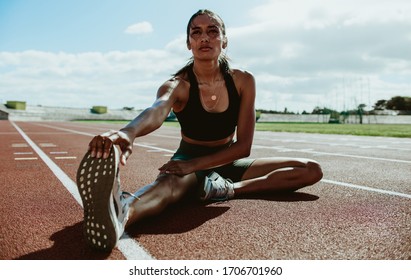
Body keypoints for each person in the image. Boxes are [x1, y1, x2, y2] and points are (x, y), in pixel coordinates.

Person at [76, 9, 323, 252]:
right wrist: (129, 131)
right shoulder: (178, 85)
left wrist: (217, 178)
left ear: (224, 40)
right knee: (167, 188)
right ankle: (123, 212)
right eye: (197, 32)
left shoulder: (243, 81)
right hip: (187, 161)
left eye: (212, 31)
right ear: (189, 43)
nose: (204, 37)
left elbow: (243, 146)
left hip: (228, 162)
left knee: (310, 169)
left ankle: (226, 189)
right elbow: (158, 109)